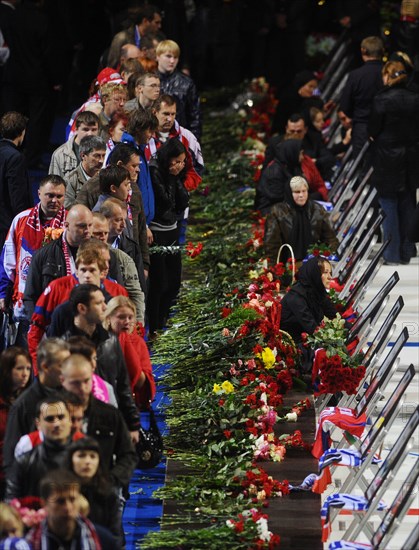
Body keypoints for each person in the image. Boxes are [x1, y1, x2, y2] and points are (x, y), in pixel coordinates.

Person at [49, 284, 140, 440]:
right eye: (99, 303)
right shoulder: (63, 348)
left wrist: (133, 424)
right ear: (82, 309)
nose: (105, 307)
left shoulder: (111, 341)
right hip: (74, 427)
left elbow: (123, 385)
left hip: (108, 421)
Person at [27, 242, 128, 362]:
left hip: (106, 365)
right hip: (66, 367)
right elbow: (37, 330)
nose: (87, 275)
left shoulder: (117, 292)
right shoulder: (57, 291)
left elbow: (127, 335)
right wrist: (39, 368)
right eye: (84, 270)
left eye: (92, 270)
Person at [0, 174, 66, 342]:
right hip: (24, 304)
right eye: (50, 195)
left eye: (59, 196)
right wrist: (2, 293)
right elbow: (8, 260)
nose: (54, 200)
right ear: (39, 194)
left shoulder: (70, 224)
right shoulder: (21, 220)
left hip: (61, 305)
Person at [59, 353, 137, 488]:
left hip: (102, 496)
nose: (82, 388)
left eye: (86, 381)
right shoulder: (51, 415)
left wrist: (111, 481)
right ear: (62, 380)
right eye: (76, 383)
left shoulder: (109, 414)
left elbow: (128, 455)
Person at [368, 59, 419, 265]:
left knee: (388, 204)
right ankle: (407, 250)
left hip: (387, 156)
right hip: (411, 155)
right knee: (408, 201)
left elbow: (373, 130)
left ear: (388, 76)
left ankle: (391, 253)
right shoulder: (416, 98)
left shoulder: (381, 99)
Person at [2, 338, 70, 475]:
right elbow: (11, 459)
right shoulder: (23, 405)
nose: (67, 370)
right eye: (62, 365)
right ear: (45, 367)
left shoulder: (72, 397)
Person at [148, 139, 189, 336]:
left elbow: (183, 202)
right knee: (158, 282)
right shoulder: (155, 170)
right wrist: (173, 177)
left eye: (182, 162)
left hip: (172, 230)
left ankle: (163, 319)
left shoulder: (175, 175)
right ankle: (154, 327)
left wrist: (177, 176)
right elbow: (164, 203)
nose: (178, 165)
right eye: (176, 161)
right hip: (156, 232)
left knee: (174, 282)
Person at [5, 394, 74, 499]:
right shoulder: (24, 462)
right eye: (50, 419)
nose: (56, 424)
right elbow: (12, 501)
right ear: (38, 424)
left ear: (70, 420)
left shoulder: (85, 455)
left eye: (61, 417)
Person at [26, 469, 114, 549]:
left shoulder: (103, 539)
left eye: (72, 500)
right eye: (60, 501)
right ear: (44, 504)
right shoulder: (29, 544)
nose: (68, 507)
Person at [264, 176, 339, 264]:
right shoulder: (278, 212)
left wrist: (325, 261)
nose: (301, 195)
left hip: (314, 264)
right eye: (297, 192)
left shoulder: (317, 210)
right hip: (287, 265)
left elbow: (330, 239)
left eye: (304, 191)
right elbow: (272, 246)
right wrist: (275, 269)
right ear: (289, 193)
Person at [64, 437, 123, 545]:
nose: (87, 461)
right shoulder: (61, 492)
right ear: (71, 459)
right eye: (81, 455)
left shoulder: (109, 494)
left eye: (93, 456)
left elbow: (115, 536)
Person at [104, 296, 155, 408]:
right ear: (108, 318)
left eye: (130, 317)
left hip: (129, 403)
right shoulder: (100, 341)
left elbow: (142, 383)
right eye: (121, 317)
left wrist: (126, 343)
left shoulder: (138, 342)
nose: (127, 322)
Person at [146, 94, 204, 192]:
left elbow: (197, 168)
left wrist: (181, 189)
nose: (170, 119)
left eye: (173, 114)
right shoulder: (144, 137)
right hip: (151, 202)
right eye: (166, 114)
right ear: (154, 112)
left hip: (179, 203)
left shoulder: (186, 136)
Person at [339, 36, 384, 156]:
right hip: (386, 128)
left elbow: (345, 105)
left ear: (363, 50)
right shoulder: (388, 73)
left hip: (362, 128)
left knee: (361, 166)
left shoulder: (356, 75)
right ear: (382, 51)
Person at [280, 256, 338, 343]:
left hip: (306, 340)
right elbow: (312, 329)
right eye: (325, 273)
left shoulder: (317, 292)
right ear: (314, 274)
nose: (330, 277)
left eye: (330, 273)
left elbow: (333, 314)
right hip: (291, 345)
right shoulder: (296, 297)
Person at [0, 346, 31, 497]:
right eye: (19, 368)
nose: (25, 374)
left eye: (28, 368)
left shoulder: (28, 401)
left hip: (21, 473)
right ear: (7, 370)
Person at [156, 40, 201, 139]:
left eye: (175, 57)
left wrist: (193, 143)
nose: (172, 61)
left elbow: (195, 117)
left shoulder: (187, 83)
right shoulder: (149, 81)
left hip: (180, 138)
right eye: (168, 56)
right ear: (158, 56)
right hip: (154, 137)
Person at [0, 111, 32, 250]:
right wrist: (24, 223)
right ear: (22, 132)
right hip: (6, 223)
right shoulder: (15, 158)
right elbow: (17, 194)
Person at [255, 139, 304, 214]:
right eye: (300, 154)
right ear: (291, 153)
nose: (302, 157)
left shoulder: (291, 166)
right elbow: (277, 197)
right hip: (270, 209)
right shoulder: (274, 172)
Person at [107, 4, 162, 68]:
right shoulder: (122, 38)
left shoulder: (153, 40)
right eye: (156, 22)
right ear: (145, 21)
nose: (159, 26)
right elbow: (112, 65)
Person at [49, 111, 100, 180]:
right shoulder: (60, 154)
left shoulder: (105, 152)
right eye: (85, 129)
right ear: (76, 129)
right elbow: (54, 185)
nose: (90, 134)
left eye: (94, 130)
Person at [64, 136, 107, 209]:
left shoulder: (107, 177)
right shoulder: (69, 181)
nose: (101, 161)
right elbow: (69, 210)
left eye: (103, 156)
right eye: (97, 156)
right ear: (83, 156)